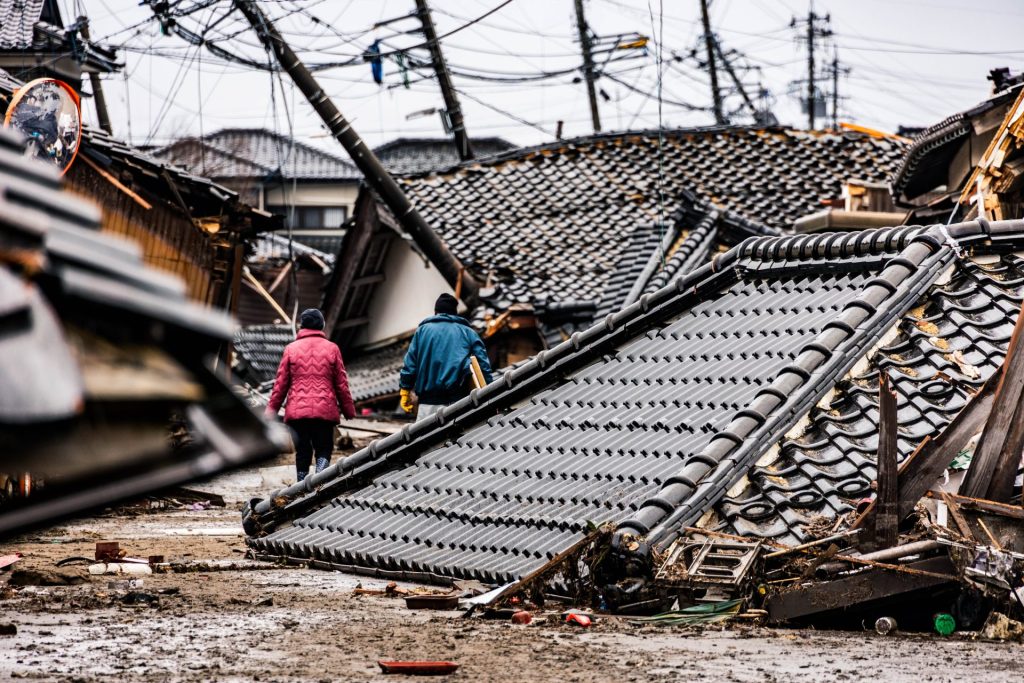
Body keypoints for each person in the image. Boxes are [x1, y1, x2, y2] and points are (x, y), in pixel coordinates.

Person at [265, 308, 356, 481]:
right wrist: (348, 410)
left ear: (302, 325)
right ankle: (320, 480)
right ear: (321, 325)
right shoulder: (332, 348)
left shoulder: (291, 349)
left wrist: (270, 412)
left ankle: (302, 485)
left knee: (303, 450)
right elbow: (341, 384)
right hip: (324, 410)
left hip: (297, 413)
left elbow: (280, 385)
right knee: (324, 448)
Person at [399, 293, 493, 422]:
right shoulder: (468, 332)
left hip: (428, 404)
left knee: (427, 439)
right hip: (458, 402)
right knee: (459, 440)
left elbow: (410, 365)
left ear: (436, 312)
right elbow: (483, 366)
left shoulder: (422, 331)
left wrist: (405, 389)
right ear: (455, 313)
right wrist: (490, 391)